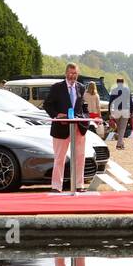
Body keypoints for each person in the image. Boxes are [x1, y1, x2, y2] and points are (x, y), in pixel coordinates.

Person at [41, 62, 90, 192]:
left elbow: (84, 107)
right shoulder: (57, 87)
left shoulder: (81, 87)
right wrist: (57, 115)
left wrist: (85, 118)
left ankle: (79, 185)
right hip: (61, 128)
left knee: (80, 157)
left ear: (77, 74)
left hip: (78, 127)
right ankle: (56, 187)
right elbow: (47, 105)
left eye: (75, 73)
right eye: (70, 73)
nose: (72, 76)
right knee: (59, 158)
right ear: (66, 73)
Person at [108, 76, 132, 149]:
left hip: (116, 110)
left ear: (117, 83)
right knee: (122, 128)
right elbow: (131, 101)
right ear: (123, 82)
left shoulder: (114, 90)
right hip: (125, 110)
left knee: (119, 128)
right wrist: (131, 111)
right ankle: (119, 144)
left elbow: (110, 102)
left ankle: (121, 144)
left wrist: (109, 112)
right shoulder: (127, 90)